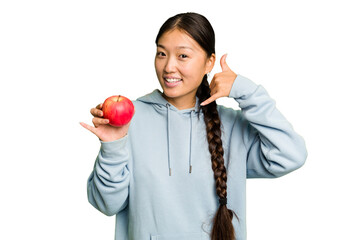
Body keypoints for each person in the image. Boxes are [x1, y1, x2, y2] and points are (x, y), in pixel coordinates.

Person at [80, 12, 307, 240]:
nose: (169, 66)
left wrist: (247, 91)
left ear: (209, 62)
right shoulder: (131, 121)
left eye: (183, 56)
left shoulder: (233, 126)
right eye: (161, 53)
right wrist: (112, 146)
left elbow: (291, 154)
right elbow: (106, 204)